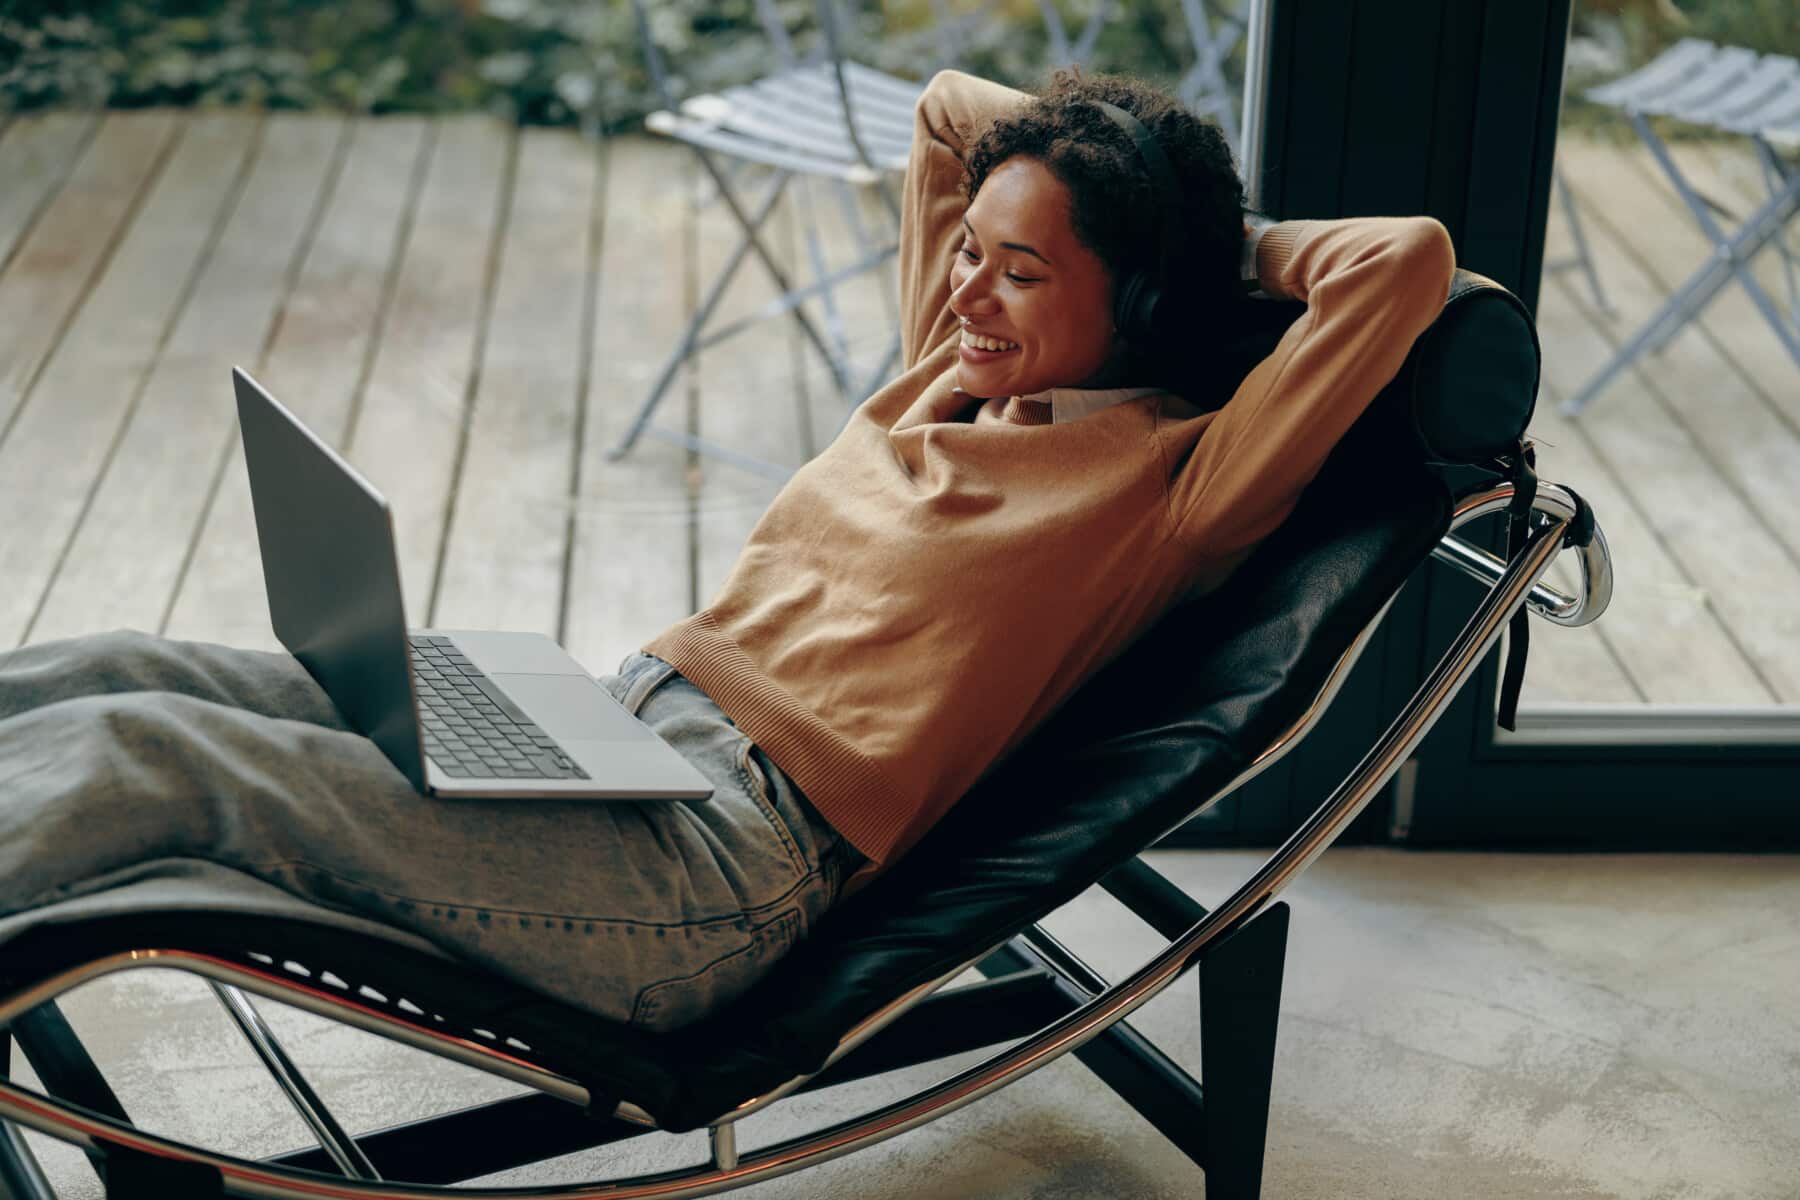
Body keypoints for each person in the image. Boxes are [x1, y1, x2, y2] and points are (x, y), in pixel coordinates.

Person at [0, 69, 1453, 1032]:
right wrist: (1066, 179)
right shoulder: (941, 371)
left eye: (1021, 270)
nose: (969, 290)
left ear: (1140, 302)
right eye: (969, 252)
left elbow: (1407, 264)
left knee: (155, 757)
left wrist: (1215, 254)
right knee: (128, 666)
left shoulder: (1174, 489)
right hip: (606, 725)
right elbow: (953, 116)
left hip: (716, 871)